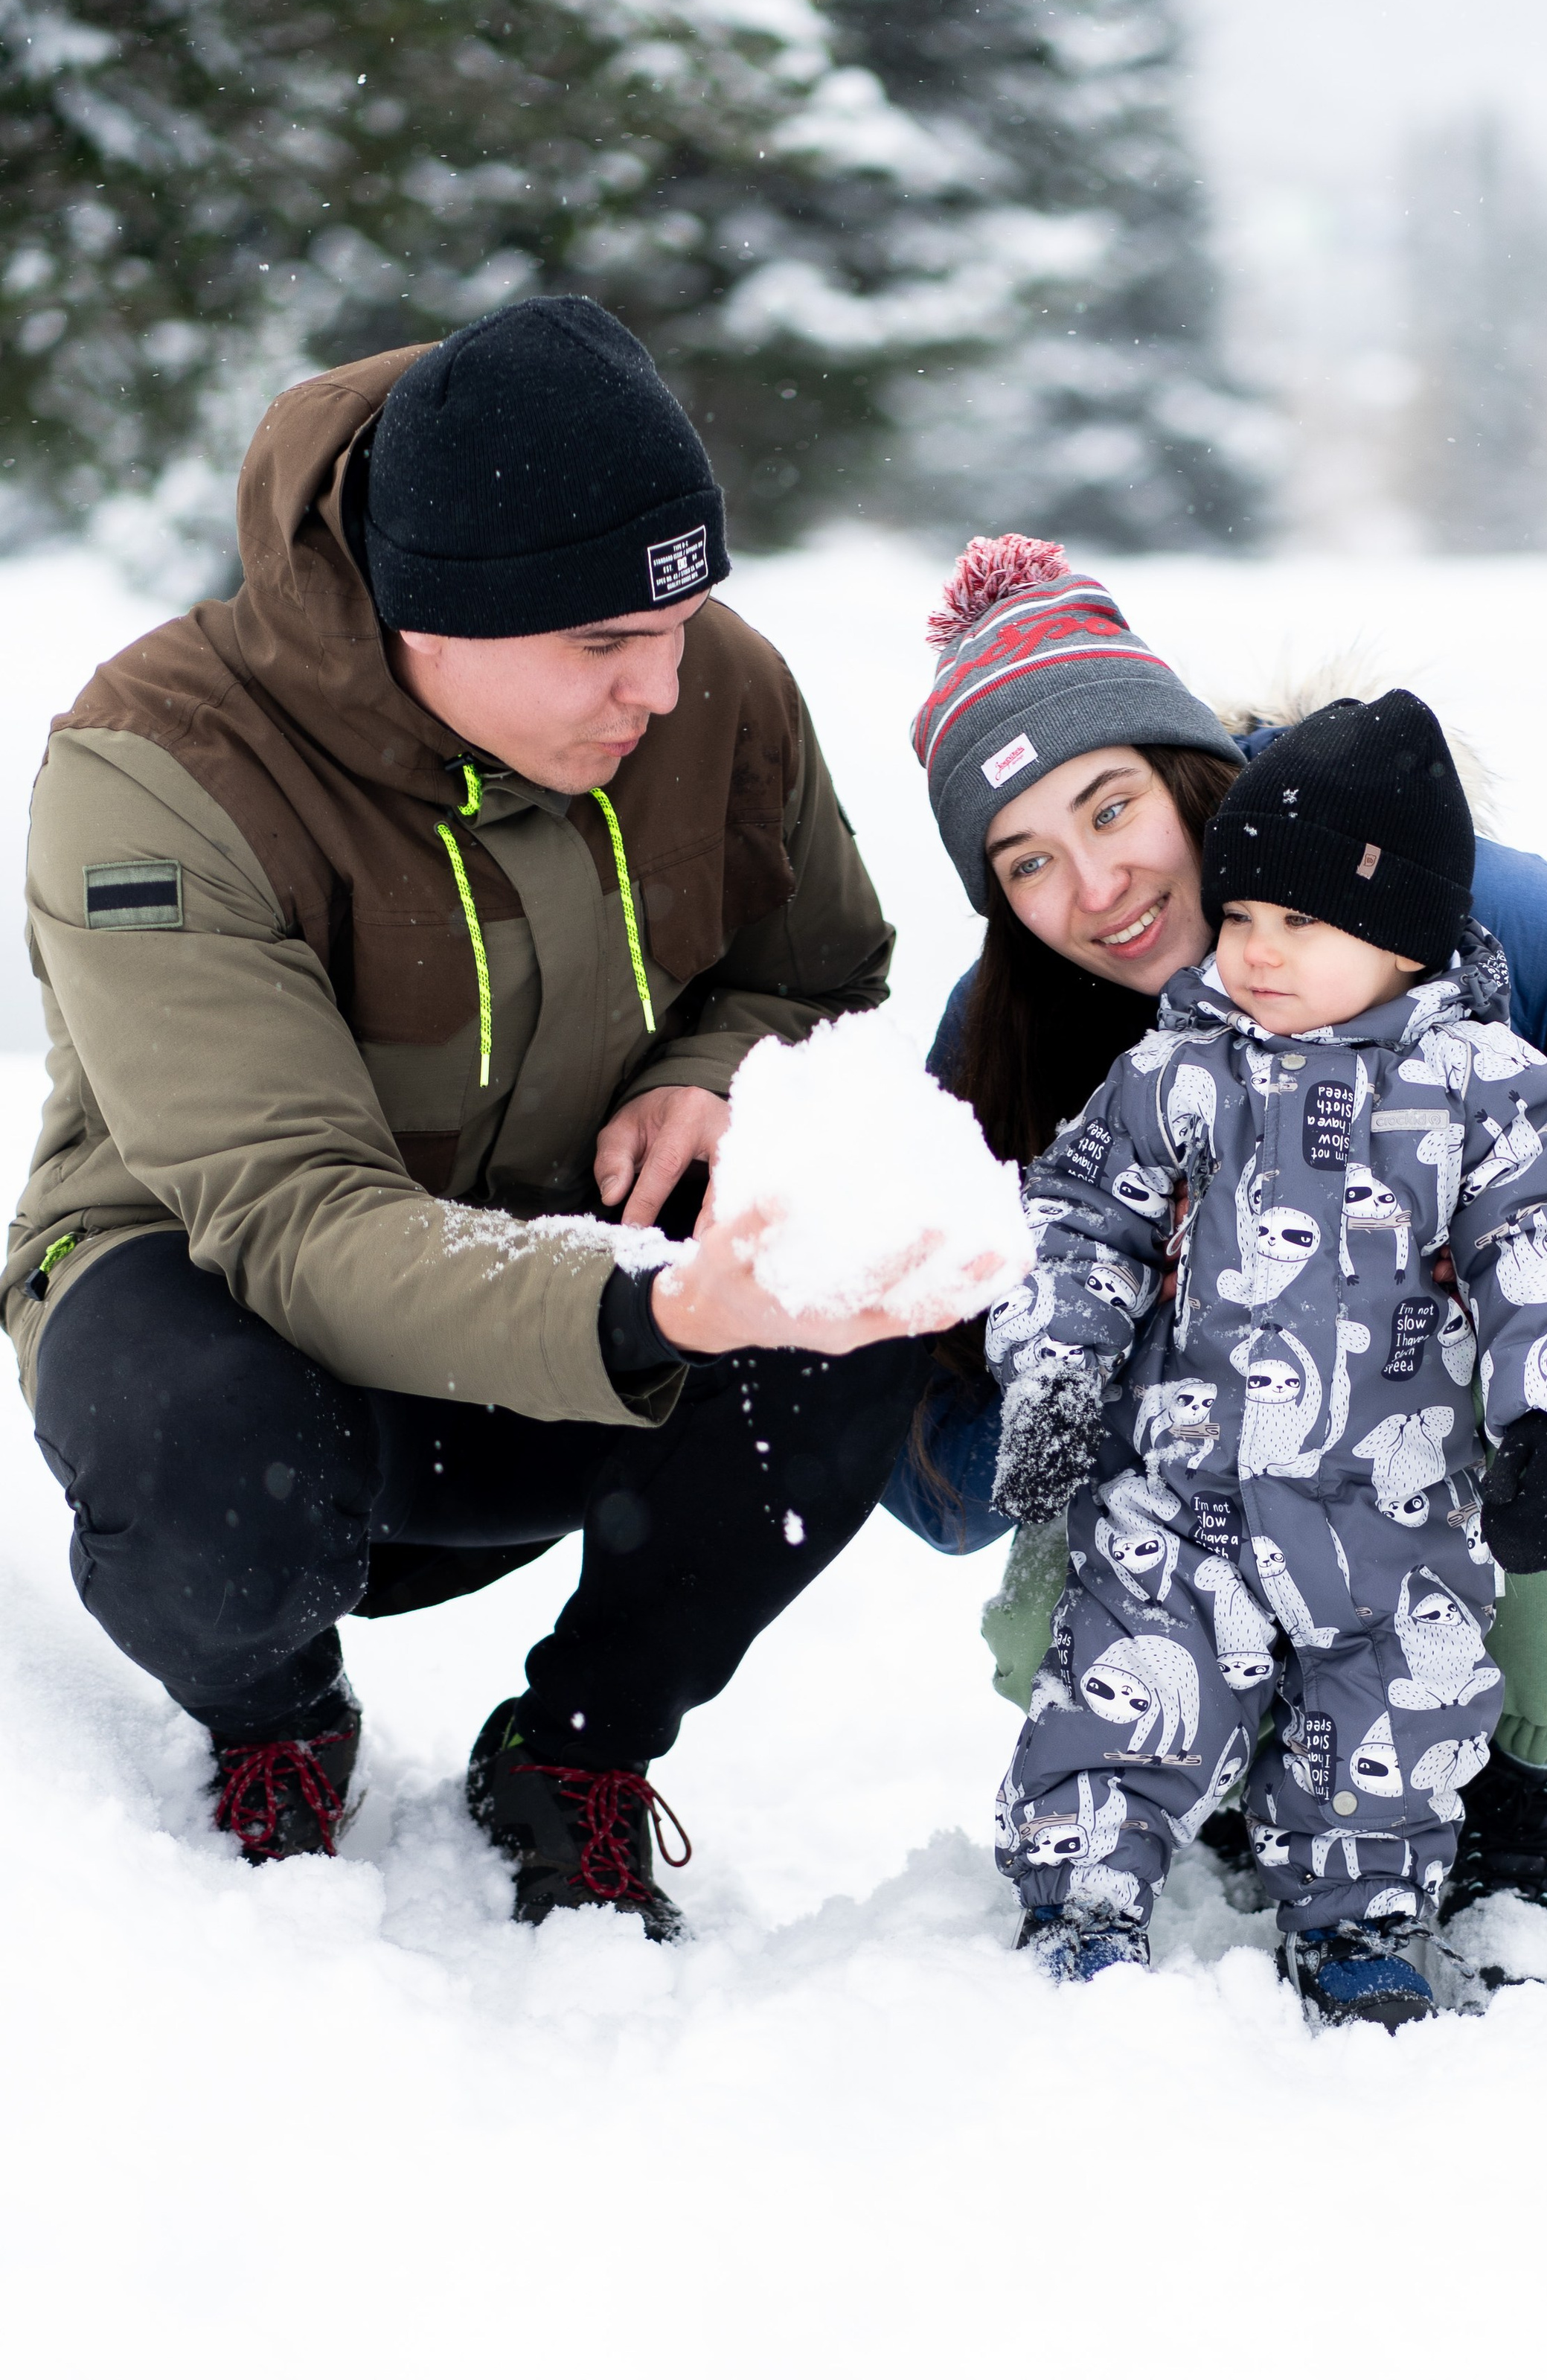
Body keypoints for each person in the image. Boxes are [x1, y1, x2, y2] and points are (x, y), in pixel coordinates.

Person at [9, 296, 945, 1929]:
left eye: (681, 624)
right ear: (422, 620)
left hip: (576, 1284)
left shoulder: (707, 683)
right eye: (600, 646)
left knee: (850, 1304)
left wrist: (712, 1069)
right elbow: (288, 1211)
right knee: (206, 1461)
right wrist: (649, 1306)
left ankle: (579, 1749)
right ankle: (275, 1720)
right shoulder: (156, 769)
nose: (662, 685)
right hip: (234, 1301)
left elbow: (831, 980)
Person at [886, 534, 1547, 1953]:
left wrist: (1460, 1225)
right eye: (1027, 861)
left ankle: (1532, 1772)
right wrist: (1050, 1366)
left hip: (1500, 1482)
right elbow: (943, 1469)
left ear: (1189, 773)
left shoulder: (1483, 918)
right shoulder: (1014, 1028)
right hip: (1200, 1512)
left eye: (1113, 808)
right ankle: (1177, 1758)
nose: (1094, 889)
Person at [987, 691, 1547, 2024]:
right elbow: (1078, 1221)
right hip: (1189, 1497)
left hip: (1395, 1505)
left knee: (1392, 1728)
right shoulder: (1177, 1073)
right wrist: (1058, 1367)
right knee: (1119, 1696)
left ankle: (1364, 1922)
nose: (1256, 955)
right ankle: (1082, 1897)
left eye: (1302, 924)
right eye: (1237, 921)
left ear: (1402, 942)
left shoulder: (1490, 1089)